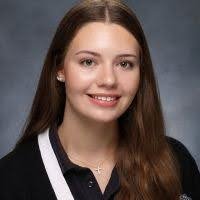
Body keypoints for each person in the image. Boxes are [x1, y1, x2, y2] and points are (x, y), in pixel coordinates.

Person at [0, 0, 199, 199]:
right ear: (59, 69)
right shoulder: (10, 178)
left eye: (124, 64)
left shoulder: (176, 161)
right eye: (88, 62)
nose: (109, 80)